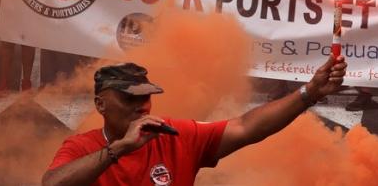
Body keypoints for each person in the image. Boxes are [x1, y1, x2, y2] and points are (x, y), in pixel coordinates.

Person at [42, 56, 347, 186]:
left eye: (145, 97)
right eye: (129, 99)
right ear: (100, 104)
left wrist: (309, 93)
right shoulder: (82, 147)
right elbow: (52, 183)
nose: (141, 107)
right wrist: (119, 149)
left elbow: (245, 127)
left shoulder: (175, 135)